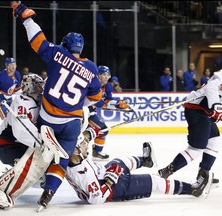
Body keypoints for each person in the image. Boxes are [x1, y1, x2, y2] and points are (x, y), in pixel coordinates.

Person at [12, 1, 103, 211]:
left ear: (65, 45)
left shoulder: (57, 54)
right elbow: (96, 96)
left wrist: (26, 18)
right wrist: (81, 105)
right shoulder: (91, 68)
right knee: (62, 160)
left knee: (39, 144)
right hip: (72, 122)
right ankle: (48, 194)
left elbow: (37, 40)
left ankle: (35, 165)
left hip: (49, 118)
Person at [0, 73, 66, 209]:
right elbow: (21, 131)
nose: (42, 90)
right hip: (7, 146)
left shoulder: (36, 101)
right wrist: (42, 143)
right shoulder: (22, 101)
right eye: (39, 87)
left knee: (41, 170)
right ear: (30, 87)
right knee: (34, 161)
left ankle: (10, 178)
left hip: (18, 144)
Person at [66, 138, 213, 204]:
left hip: (102, 175)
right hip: (114, 190)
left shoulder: (73, 160)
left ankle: (146, 161)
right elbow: (96, 198)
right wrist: (111, 179)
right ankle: (193, 189)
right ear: (75, 151)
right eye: (83, 145)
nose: (86, 146)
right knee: (154, 182)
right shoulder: (82, 175)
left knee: (120, 161)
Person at [158, 69, 222, 191]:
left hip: (205, 112)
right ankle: (166, 172)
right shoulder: (220, 77)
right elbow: (212, 86)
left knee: (215, 140)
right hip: (197, 110)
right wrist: (216, 106)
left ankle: (203, 175)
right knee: (196, 149)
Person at [89, 65, 129, 160]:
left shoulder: (108, 86)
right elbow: (95, 102)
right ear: (98, 75)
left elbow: (108, 100)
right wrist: (108, 105)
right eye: (103, 74)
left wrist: (118, 103)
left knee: (103, 130)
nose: (106, 77)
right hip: (81, 112)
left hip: (90, 113)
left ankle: (97, 152)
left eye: (108, 75)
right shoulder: (92, 84)